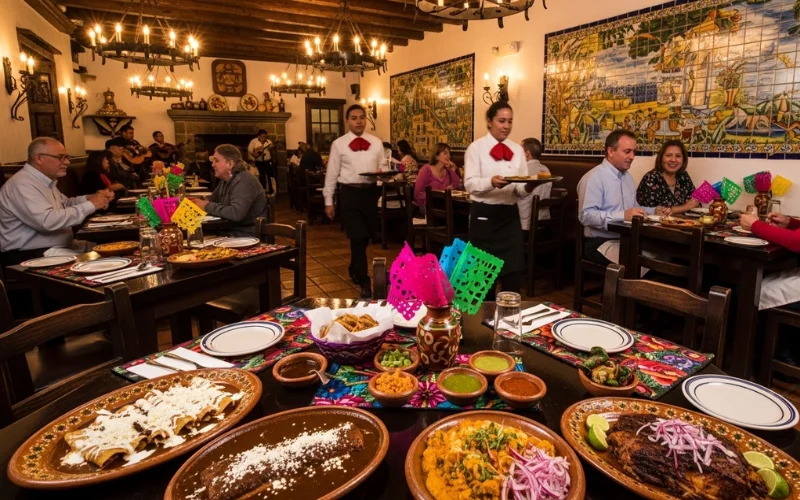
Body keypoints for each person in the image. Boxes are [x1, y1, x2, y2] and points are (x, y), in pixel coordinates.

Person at [464, 101, 538, 299]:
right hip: (484, 218)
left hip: (510, 217)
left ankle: (509, 317)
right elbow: (469, 184)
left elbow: (519, 189)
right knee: (482, 281)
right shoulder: (476, 148)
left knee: (513, 276)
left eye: (510, 121)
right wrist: (491, 182)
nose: (506, 126)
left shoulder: (517, 150)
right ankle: (482, 318)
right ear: (489, 121)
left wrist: (529, 186)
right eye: (501, 121)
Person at [0, 138, 112, 266]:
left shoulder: (44, 181)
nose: (67, 162)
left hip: (58, 247)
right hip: (30, 254)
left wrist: (90, 198)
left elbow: (66, 203)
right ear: (39, 158)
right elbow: (47, 221)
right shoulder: (22, 184)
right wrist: (91, 205)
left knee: (111, 250)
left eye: (67, 157)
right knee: (103, 262)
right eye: (60, 157)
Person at [578, 129, 670, 265]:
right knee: (642, 262)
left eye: (634, 152)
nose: (632, 157)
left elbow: (633, 208)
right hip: (598, 242)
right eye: (627, 151)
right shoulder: (593, 178)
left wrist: (654, 211)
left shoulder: (628, 178)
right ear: (611, 151)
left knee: (665, 255)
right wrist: (623, 215)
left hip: (626, 238)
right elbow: (586, 216)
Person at [323, 104, 387, 297]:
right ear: (347, 121)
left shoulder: (376, 142)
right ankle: (364, 280)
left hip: (370, 194)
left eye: (361, 117)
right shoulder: (339, 144)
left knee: (365, 237)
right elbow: (332, 173)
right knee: (357, 237)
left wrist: (382, 172)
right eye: (354, 118)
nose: (359, 121)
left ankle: (353, 267)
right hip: (349, 194)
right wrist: (328, 200)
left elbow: (383, 166)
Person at [190, 144, 269, 237]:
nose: (212, 164)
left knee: (194, 238)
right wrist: (198, 203)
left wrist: (206, 205)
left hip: (244, 235)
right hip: (227, 230)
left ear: (230, 164)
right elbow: (212, 201)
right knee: (191, 234)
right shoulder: (226, 179)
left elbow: (236, 213)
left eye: (216, 161)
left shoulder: (243, 181)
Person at [636, 139, 698, 214]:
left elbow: (695, 202)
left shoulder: (683, 176)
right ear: (661, 158)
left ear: (683, 159)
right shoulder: (651, 178)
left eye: (678, 156)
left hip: (684, 221)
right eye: (668, 155)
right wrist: (684, 207)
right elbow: (652, 211)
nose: (673, 160)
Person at [414, 142, 463, 213]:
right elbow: (418, 194)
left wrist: (452, 169)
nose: (449, 156)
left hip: (444, 206)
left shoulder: (448, 171)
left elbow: (457, 185)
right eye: (445, 153)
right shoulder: (426, 170)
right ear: (436, 157)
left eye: (449, 154)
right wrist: (442, 192)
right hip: (427, 207)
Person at [517, 138, 553, 231]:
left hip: (524, 226)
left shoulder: (522, 171)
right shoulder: (546, 170)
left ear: (527, 153)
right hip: (543, 224)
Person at [248, 129, 275, 193]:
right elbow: (250, 150)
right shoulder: (254, 141)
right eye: (262, 136)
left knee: (270, 174)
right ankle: (262, 190)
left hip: (267, 161)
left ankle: (270, 190)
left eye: (264, 136)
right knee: (261, 174)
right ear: (259, 135)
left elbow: (272, 151)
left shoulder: (269, 142)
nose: (263, 138)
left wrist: (271, 149)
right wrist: (256, 154)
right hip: (258, 161)